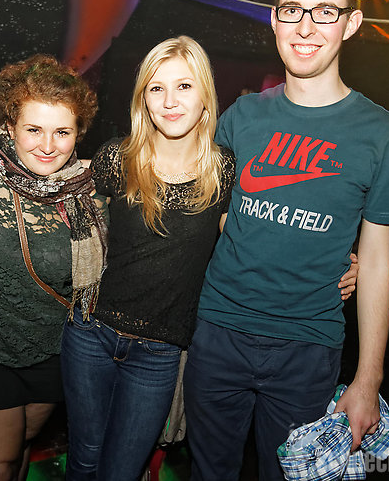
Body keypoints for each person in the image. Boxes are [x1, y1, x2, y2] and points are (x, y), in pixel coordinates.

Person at [184, 0, 389, 480]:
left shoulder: (382, 133)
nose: (306, 27)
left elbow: (378, 261)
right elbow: (212, 216)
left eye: (325, 11)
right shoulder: (242, 116)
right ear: (274, 17)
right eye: (293, 9)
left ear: (351, 23)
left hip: (308, 348)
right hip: (218, 332)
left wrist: (368, 379)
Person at [59, 36, 235, 480]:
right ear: (144, 100)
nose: (170, 101)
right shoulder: (117, 158)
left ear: (205, 96)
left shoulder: (223, 171)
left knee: (122, 472)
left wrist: (335, 262)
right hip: (91, 334)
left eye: (184, 86)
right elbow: (69, 210)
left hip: (158, 353)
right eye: (157, 88)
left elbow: (247, 243)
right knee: (83, 461)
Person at [0, 54, 106, 481]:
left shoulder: (91, 196)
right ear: (10, 127)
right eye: (34, 129)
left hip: (53, 351)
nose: (47, 146)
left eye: (62, 132)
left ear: (78, 133)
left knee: (21, 448)